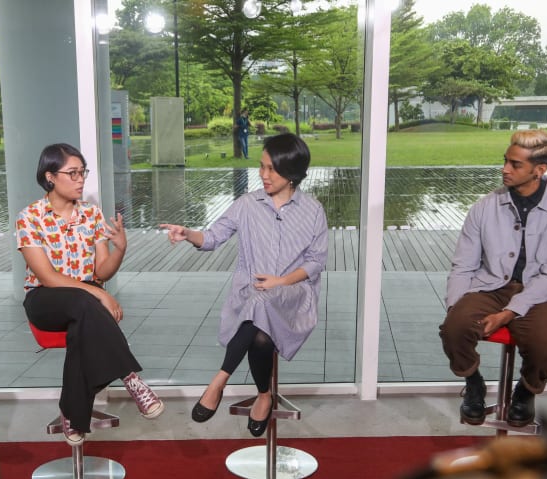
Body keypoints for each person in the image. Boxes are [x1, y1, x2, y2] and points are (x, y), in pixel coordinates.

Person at [160, 133, 327, 437]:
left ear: (291, 172)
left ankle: (219, 380)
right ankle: (264, 395)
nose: (263, 174)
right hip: (252, 294)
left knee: (261, 300)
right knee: (260, 331)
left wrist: (281, 281)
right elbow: (213, 237)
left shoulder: (313, 211)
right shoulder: (247, 204)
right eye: (261, 166)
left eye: (271, 169)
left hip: (293, 295)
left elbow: (316, 261)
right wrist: (188, 233)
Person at [16, 143, 164, 445]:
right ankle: (130, 376)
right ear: (50, 177)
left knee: (81, 328)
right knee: (86, 300)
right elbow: (48, 277)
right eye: (72, 173)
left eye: (83, 172)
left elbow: (102, 271)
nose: (80, 179)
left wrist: (120, 249)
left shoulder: (91, 215)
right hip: (45, 298)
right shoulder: (30, 217)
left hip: (85, 304)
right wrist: (101, 295)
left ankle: (73, 413)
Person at [439, 130, 547, 428]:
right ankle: (474, 383)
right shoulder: (483, 207)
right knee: (453, 329)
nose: (505, 169)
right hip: (490, 287)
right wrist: (455, 307)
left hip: (541, 293)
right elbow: (463, 266)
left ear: (539, 170)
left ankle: (526, 390)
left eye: (515, 164)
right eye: (505, 160)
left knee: (543, 348)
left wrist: (508, 313)